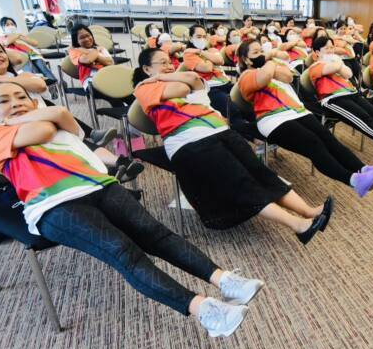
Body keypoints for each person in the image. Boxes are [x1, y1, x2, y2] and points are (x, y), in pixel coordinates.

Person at [0, 81, 261, 337]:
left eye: (21, 97)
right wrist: (31, 117)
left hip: (100, 185)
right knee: (124, 252)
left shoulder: (49, 118)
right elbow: (43, 129)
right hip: (54, 206)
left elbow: (62, 113)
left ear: (33, 101)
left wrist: (30, 116)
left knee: (157, 234)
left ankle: (225, 280)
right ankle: (206, 311)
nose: (15, 103)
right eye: (4, 101)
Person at [132, 48, 332, 243]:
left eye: (170, 62)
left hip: (221, 132)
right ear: (147, 69)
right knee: (243, 184)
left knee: (263, 174)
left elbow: (193, 79)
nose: (169, 66)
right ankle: (298, 225)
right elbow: (183, 88)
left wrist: (163, 76)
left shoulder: (174, 79)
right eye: (162, 63)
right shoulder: (144, 88)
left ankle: (309, 211)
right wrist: (164, 79)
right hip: (190, 143)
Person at [0, 37, 140, 177]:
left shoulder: (18, 74)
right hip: (16, 131)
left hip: (44, 119)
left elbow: (39, 85)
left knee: (73, 139)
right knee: (66, 142)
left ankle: (114, 167)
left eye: (0, 51)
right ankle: (109, 170)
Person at [237, 40, 373, 197]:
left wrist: (270, 66)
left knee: (329, 139)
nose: (261, 55)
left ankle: (363, 169)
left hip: (298, 112)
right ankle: (354, 181)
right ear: (246, 59)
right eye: (256, 53)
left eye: (262, 51)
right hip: (273, 119)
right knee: (313, 143)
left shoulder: (270, 67)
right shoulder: (246, 77)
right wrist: (270, 60)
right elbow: (265, 76)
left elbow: (288, 77)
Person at [180, 25, 256, 139]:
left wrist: (201, 52)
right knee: (232, 110)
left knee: (249, 102)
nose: (202, 39)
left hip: (226, 83)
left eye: (204, 36)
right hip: (210, 88)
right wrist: (210, 58)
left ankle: (260, 131)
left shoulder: (210, 50)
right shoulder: (188, 54)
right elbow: (206, 68)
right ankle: (253, 138)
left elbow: (220, 60)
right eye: (198, 36)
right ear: (191, 38)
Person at [69, 24, 134, 107]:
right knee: (114, 97)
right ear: (76, 40)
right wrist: (96, 51)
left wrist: (92, 54)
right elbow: (87, 60)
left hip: (107, 79)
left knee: (129, 95)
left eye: (88, 35)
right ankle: (124, 115)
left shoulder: (100, 48)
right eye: (82, 38)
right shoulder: (74, 51)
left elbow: (110, 63)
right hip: (91, 83)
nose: (87, 39)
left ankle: (138, 113)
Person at [0, 17, 58, 84]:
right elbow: (6, 42)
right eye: (7, 25)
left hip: (31, 53)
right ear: (3, 27)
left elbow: (35, 43)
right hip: (21, 58)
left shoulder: (20, 36)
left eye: (12, 24)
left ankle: (55, 84)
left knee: (43, 68)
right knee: (33, 72)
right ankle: (41, 85)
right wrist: (16, 35)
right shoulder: (2, 37)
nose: (10, 26)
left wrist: (21, 37)